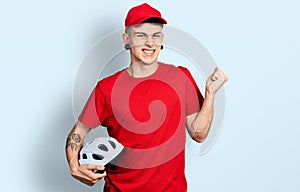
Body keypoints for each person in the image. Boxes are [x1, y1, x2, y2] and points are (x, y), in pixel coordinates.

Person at [65, 3, 228, 192]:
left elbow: (198, 134)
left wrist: (210, 94)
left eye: (155, 35)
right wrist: (74, 166)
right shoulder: (106, 88)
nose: (150, 43)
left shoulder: (180, 77)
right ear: (126, 39)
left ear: (162, 39)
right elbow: (77, 133)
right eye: (141, 35)